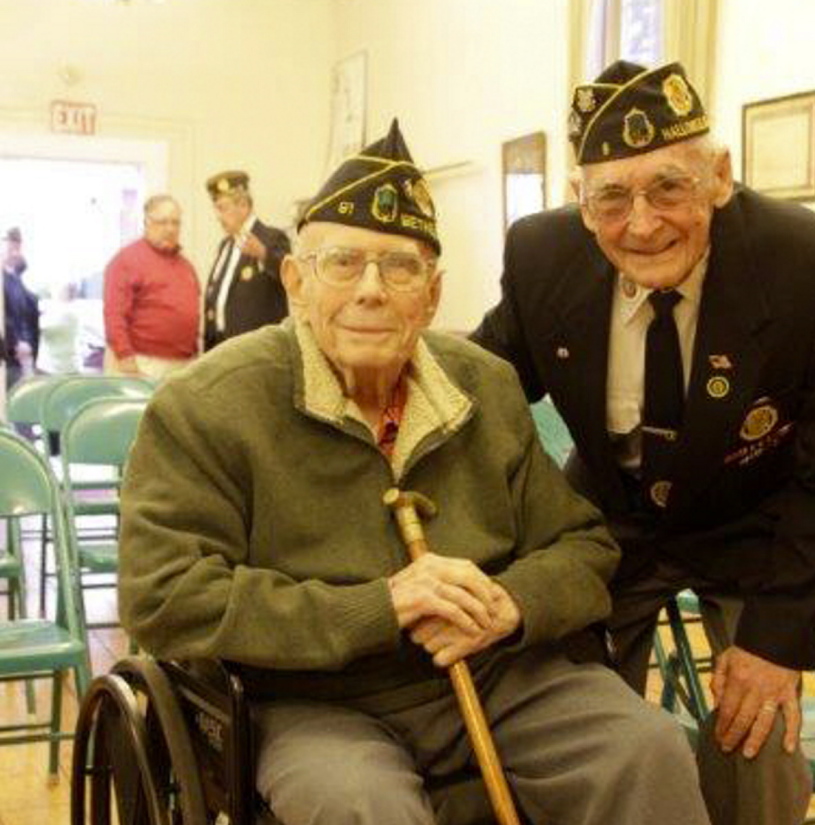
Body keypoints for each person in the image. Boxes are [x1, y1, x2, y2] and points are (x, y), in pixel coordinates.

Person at [119, 121, 710, 825]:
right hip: (313, 696)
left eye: (399, 268)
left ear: (430, 296)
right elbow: (164, 598)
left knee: (642, 748)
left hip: (498, 671)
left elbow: (584, 547)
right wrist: (381, 606)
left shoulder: (483, 386)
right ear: (293, 284)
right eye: (342, 263)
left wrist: (509, 602)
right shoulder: (207, 406)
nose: (371, 290)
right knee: (358, 805)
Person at [473, 60, 815, 825]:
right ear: (580, 204)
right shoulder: (541, 255)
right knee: (563, 718)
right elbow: (479, 385)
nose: (640, 223)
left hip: (757, 529)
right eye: (611, 197)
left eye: (668, 187)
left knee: (759, 736)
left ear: (719, 177)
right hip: (611, 521)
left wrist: (774, 646)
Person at [102, 194, 200, 379]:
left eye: (175, 222)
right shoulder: (126, 260)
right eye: (163, 222)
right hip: (139, 364)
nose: (170, 229)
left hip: (181, 366)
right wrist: (125, 358)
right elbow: (114, 315)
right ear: (147, 222)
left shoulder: (186, 266)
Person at [202, 169, 290, 351]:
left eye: (222, 208)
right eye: (216, 209)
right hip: (220, 346)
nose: (218, 216)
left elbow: (291, 276)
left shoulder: (272, 238)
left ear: (243, 205)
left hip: (255, 350)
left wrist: (264, 255)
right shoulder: (225, 244)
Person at [3, 226, 40, 389]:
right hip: (11, 353)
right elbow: (3, 315)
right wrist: (16, 343)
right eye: (11, 247)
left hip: (24, 352)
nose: (15, 252)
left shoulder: (15, 276)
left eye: (17, 247)